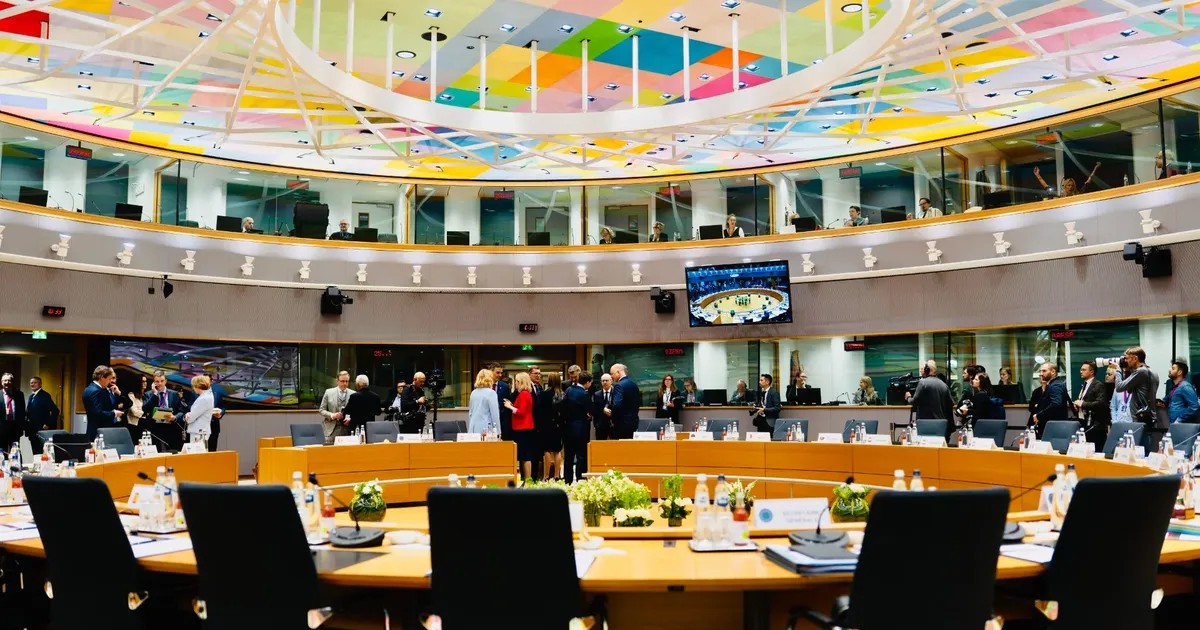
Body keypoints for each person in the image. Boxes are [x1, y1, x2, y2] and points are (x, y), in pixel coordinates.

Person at [1113, 347, 1160, 442]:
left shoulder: (1141, 372)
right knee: (1144, 443)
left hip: (1140, 416)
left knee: (1140, 444)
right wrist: (1128, 371)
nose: (1125, 361)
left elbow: (1119, 387)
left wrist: (1118, 370)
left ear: (1135, 358)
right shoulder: (1151, 371)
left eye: (1127, 358)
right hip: (1148, 414)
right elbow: (1130, 390)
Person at [905, 362, 954, 436]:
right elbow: (951, 403)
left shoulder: (922, 383)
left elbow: (914, 401)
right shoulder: (943, 385)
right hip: (941, 425)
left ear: (927, 370)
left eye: (923, 369)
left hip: (925, 424)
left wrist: (908, 397)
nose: (921, 371)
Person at [503, 372, 536, 480]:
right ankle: (526, 479)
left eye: (517, 381)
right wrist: (512, 405)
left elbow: (521, 412)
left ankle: (528, 479)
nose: (515, 384)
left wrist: (509, 407)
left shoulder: (524, 394)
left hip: (523, 428)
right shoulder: (525, 394)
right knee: (524, 455)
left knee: (525, 456)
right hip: (524, 427)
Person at [563, 372, 594, 484]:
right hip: (581, 428)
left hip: (568, 427)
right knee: (581, 456)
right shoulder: (584, 394)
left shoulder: (568, 390)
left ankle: (568, 480)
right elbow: (591, 410)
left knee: (568, 456)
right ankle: (580, 479)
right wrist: (588, 415)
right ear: (587, 382)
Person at [1073, 360, 1110, 448]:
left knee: (1096, 450)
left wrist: (1083, 404)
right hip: (1084, 424)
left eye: (1083, 370)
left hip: (1095, 426)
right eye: (1081, 369)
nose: (1080, 372)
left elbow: (1101, 403)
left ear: (1092, 372)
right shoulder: (1084, 385)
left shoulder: (1098, 385)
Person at [82, 365, 124, 440]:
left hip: (95, 429)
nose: (110, 381)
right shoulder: (96, 391)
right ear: (102, 377)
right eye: (109, 379)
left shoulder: (89, 388)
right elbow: (97, 413)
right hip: (99, 431)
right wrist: (114, 413)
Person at [538, 374, 565, 480]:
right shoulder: (562, 394)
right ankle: (557, 475)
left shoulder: (544, 394)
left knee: (547, 450)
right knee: (557, 450)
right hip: (558, 425)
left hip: (546, 424)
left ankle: (546, 476)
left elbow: (540, 411)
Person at [1030, 362, 1069, 435]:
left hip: (1054, 426)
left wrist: (1039, 415)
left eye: (1044, 371)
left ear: (1053, 371)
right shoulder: (1055, 384)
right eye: (1040, 371)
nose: (1041, 374)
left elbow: (1056, 404)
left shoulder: (1055, 386)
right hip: (1053, 425)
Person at [607, 363, 640, 439]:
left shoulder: (619, 386)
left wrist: (612, 417)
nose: (611, 376)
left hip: (621, 425)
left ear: (618, 372)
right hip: (633, 423)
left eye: (612, 374)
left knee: (619, 446)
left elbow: (617, 405)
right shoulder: (634, 385)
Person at [318, 371, 353, 444]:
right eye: (342, 381)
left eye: (347, 381)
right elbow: (321, 410)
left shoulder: (353, 394)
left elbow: (356, 411)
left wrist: (350, 418)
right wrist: (332, 415)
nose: (345, 383)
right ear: (337, 381)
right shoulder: (329, 392)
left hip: (348, 430)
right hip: (331, 429)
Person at [1161, 358, 1198, 424]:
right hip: (1174, 423)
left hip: (1181, 425)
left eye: (1173, 368)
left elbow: (1194, 406)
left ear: (1180, 372)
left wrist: (1179, 419)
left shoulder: (1185, 386)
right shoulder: (1175, 387)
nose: (1169, 370)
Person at [1034, 163, 1099, 197]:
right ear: (1065, 186)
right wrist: (1037, 175)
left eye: (1072, 185)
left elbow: (1088, 182)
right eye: (1069, 185)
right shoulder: (1061, 195)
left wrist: (1095, 169)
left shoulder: (1077, 195)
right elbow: (1046, 187)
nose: (1070, 187)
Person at [183, 374, 215, 443]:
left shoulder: (204, 398)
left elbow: (191, 417)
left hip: (199, 432)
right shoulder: (207, 395)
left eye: (193, 386)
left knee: (197, 450)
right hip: (201, 431)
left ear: (198, 385)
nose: (193, 388)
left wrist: (187, 415)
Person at [468, 369, 500, 435]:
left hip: (473, 427)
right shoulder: (491, 393)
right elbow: (495, 414)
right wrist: (498, 432)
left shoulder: (473, 393)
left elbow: (470, 413)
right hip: (486, 428)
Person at [0, 373, 26, 448]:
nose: (7, 382)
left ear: (12, 382)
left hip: (15, 429)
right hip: (1, 429)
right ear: (1, 382)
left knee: (15, 450)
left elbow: (22, 412)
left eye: (9, 380)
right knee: (2, 451)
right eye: (5, 380)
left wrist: (21, 427)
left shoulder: (19, 394)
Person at [490, 363, 514, 440]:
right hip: (487, 421)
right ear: (490, 372)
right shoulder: (484, 386)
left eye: (501, 373)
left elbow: (507, 403)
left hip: (501, 422)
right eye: (497, 372)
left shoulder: (504, 387)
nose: (500, 375)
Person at [593, 373, 614, 440]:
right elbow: (595, 409)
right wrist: (595, 425)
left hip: (613, 424)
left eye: (606, 380)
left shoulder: (615, 393)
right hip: (600, 425)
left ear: (611, 381)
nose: (605, 382)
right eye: (603, 381)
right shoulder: (596, 394)